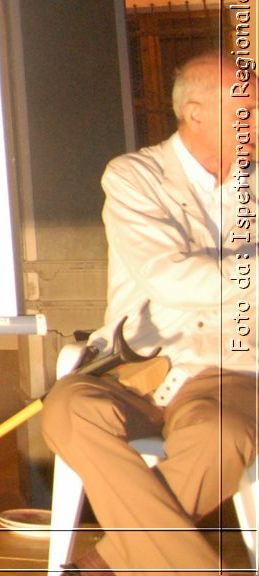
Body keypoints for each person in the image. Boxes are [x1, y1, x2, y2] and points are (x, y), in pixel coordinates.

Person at [41, 50, 258, 576]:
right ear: (198, 112)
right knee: (70, 409)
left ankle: (108, 565)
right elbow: (169, 279)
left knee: (222, 435)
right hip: (139, 364)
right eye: (247, 106)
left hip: (231, 369)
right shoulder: (135, 176)